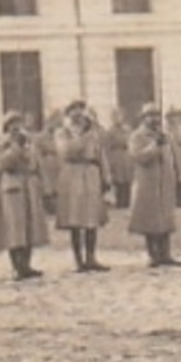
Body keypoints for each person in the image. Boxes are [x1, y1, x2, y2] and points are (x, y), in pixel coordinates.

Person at [0, 110, 49, 280]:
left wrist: (27, 151)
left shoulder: (29, 142)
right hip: (11, 186)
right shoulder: (0, 144)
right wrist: (15, 147)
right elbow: (3, 163)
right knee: (15, 228)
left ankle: (27, 264)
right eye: (13, 124)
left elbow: (35, 163)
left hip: (28, 184)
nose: (17, 128)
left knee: (29, 226)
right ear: (7, 127)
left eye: (19, 124)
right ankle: (17, 266)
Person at [56, 100, 112, 273]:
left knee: (91, 217)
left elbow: (100, 153)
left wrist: (106, 176)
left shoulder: (93, 131)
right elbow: (68, 152)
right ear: (69, 114)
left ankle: (91, 257)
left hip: (91, 172)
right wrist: (83, 136)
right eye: (74, 111)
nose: (79, 114)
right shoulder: (63, 132)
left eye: (81, 110)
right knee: (75, 217)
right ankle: (78, 259)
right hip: (73, 173)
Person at [125, 104, 181, 269]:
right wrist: (154, 147)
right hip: (147, 182)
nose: (155, 119)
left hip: (164, 182)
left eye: (157, 115)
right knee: (150, 220)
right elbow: (138, 156)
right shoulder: (137, 136)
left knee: (165, 217)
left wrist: (176, 174)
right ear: (143, 118)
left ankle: (166, 253)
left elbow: (171, 156)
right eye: (150, 116)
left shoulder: (164, 136)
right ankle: (153, 254)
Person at [104, 110, 134, 210]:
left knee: (127, 179)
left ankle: (127, 201)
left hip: (127, 155)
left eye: (119, 116)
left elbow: (132, 141)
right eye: (115, 117)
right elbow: (107, 147)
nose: (118, 119)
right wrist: (109, 160)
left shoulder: (127, 129)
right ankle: (120, 201)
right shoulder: (110, 132)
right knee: (118, 179)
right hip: (116, 155)